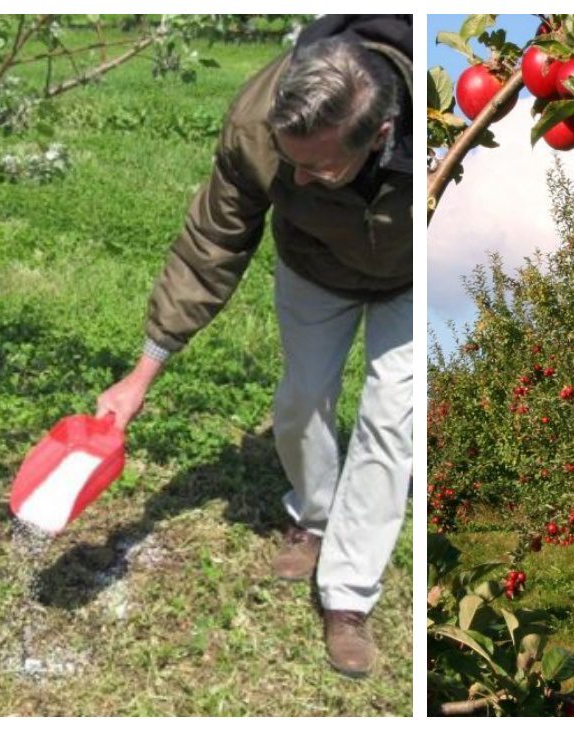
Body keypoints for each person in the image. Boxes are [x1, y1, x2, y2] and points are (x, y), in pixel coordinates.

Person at [96, 15, 412, 678]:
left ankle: (348, 596)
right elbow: (212, 242)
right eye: (288, 161)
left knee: (391, 424)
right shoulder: (258, 121)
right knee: (299, 403)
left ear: (381, 135)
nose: (295, 181)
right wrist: (144, 371)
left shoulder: (444, 129)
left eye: (318, 167)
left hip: (414, 276)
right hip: (314, 266)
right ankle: (316, 515)